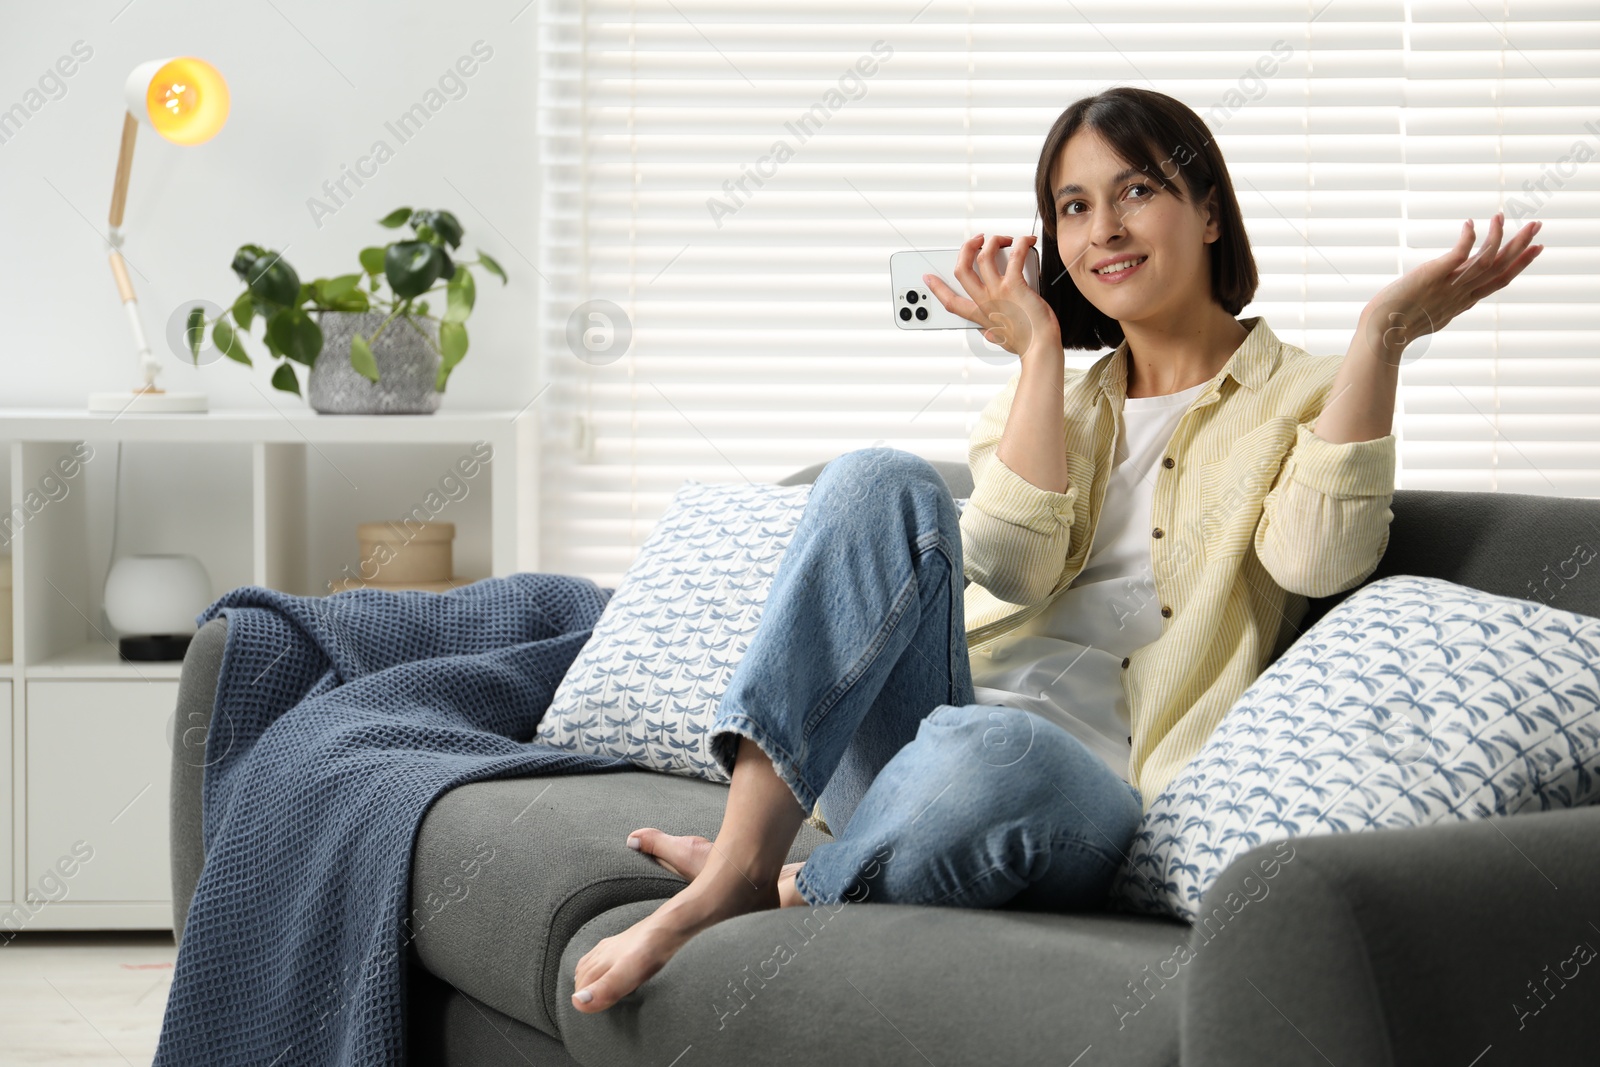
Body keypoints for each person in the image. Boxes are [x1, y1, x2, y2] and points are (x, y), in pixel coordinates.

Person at [569, 86, 1542, 1014]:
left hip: (1070, 794)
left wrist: (1381, 338)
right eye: (1072, 207)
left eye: (1137, 190)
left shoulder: (1307, 391)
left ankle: (796, 881)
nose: (1103, 229)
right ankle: (741, 867)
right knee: (877, 475)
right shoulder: (1051, 400)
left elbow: (1318, 559)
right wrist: (1039, 352)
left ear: (1208, 212)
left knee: (996, 750)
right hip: (917, 747)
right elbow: (1011, 562)